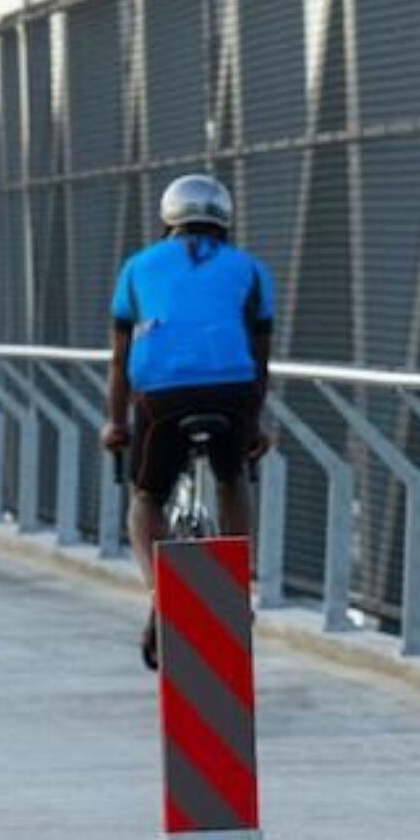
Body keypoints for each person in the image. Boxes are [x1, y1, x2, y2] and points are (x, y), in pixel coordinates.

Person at [100, 173, 275, 671]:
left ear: (168, 218)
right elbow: (260, 359)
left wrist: (115, 422)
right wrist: (253, 425)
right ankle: (239, 581)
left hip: (161, 394)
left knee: (147, 497)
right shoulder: (250, 270)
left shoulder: (137, 267)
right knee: (231, 476)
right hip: (231, 391)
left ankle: (159, 591)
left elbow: (118, 359)